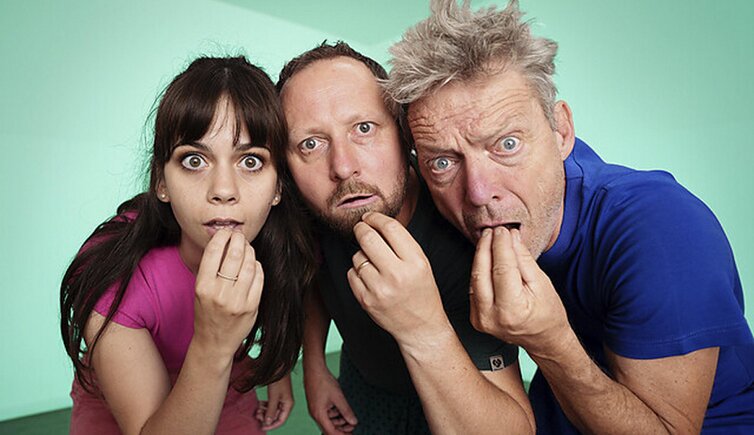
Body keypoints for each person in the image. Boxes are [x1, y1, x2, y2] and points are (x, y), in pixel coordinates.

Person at [380, 0, 754, 433]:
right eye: (443, 162)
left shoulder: (662, 228)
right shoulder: (459, 208)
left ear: (561, 131)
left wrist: (549, 342)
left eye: (507, 145)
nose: (479, 193)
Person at [276, 42, 534, 434]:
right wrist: (315, 365)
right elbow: (315, 273)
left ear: (404, 134)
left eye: (364, 129)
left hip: (460, 398)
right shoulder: (316, 205)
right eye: (310, 144)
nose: (343, 167)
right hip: (363, 383)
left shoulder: (465, 233)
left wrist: (422, 326)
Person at [60, 56, 316, 435]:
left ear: (278, 186)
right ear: (161, 183)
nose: (224, 190)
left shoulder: (279, 240)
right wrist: (213, 344)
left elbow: (297, 291)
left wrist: (280, 370)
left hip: (225, 382)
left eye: (250, 161)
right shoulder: (115, 280)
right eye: (194, 160)